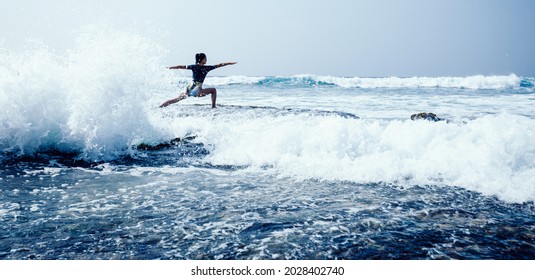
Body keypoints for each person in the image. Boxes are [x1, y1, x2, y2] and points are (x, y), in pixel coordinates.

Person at [160, 53, 237, 108]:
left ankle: (161, 106)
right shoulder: (207, 68)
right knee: (213, 90)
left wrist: (170, 67)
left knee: (176, 99)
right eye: (205, 58)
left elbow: (180, 66)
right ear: (201, 60)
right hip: (197, 89)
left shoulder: (193, 66)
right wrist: (230, 63)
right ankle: (213, 107)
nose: (206, 59)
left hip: (190, 87)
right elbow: (220, 65)